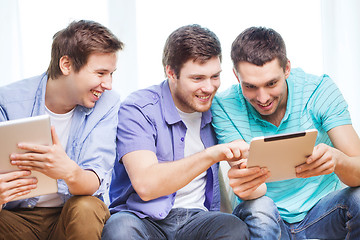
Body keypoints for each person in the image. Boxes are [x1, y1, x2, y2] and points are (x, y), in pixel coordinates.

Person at [102, 24, 250, 240]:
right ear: (171, 72)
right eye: (197, 78)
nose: (209, 88)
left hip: (198, 219)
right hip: (143, 218)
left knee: (233, 227)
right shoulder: (138, 108)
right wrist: (213, 154)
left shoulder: (219, 109)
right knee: (120, 229)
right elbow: (146, 185)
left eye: (215, 76)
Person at [211, 26, 360, 239]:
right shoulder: (224, 106)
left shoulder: (319, 90)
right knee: (259, 209)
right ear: (236, 76)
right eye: (251, 86)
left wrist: (338, 161)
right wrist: (245, 185)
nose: (263, 98)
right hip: (265, 215)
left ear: (287, 68)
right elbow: (251, 189)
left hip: (323, 211)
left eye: (271, 83)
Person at [0, 20, 124, 240]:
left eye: (111, 74)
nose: (108, 84)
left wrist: (68, 171)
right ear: (66, 65)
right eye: (101, 73)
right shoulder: (8, 102)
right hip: (16, 216)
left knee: (87, 207)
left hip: (71, 213)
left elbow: (95, 181)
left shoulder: (108, 103)